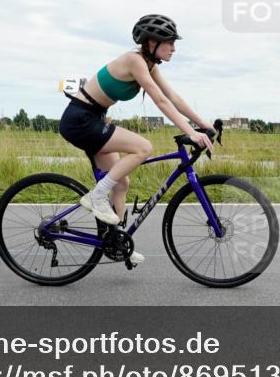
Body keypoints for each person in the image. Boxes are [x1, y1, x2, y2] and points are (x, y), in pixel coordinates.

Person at [58, 14, 214, 265]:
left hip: (95, 119)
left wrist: (203, 125)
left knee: (121, 183)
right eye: (169, 42)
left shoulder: (149, 65)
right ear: (151, 42)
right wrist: (192, 133)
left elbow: (173, 97)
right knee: (143, 147)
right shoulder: (134, 61)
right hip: (81, 120)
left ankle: (117, 242)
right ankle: (96, 197)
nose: (174, 48)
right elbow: (160, 101)